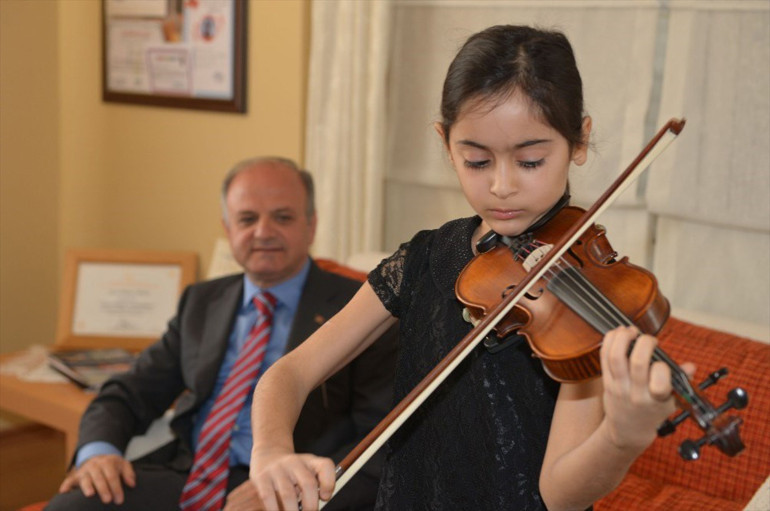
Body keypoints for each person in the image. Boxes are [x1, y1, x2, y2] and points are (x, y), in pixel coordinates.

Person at [247, 25, 689, 511]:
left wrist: (621, 439)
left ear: (579, 141)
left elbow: (559, 494)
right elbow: (289, 373)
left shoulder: (588, 296)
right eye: (477, 161)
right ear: (445, 141)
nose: (501, 186)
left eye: (531, 160)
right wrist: (270, 452)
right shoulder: (422, 260)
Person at [45, 157, 397, 511]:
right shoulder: (201, 301)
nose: (263, 232)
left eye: (283, 217)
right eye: (247, 219)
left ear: (311, 225)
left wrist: (294, 488)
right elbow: (128, 392)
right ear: (227, 229)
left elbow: (378, 440)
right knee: (69, 506)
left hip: (286, 487)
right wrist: (98, 454)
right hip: (186, 473)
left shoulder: (361, 309)